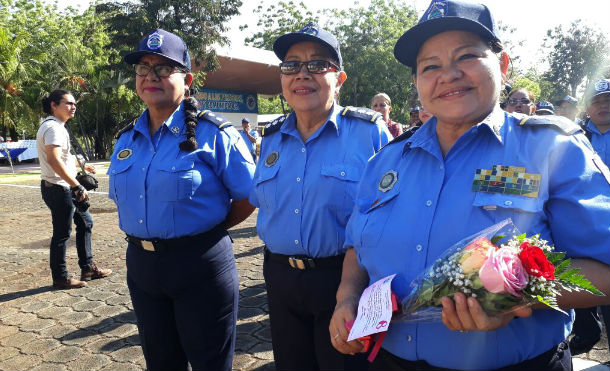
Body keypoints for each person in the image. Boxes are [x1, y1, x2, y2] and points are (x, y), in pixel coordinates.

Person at [329, 1, 610, 370]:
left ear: (503, 65)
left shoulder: (553, 148)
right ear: (416, 82)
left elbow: (604, 272)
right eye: (430, 66)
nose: (448, 75)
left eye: (467, 56)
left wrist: (515, 296)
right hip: (388, 359)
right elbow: (356, 249)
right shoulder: (385, 161)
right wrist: (346, 298)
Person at [107, 29, 255, 370]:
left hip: (199, 264)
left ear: (187, 79)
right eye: (143, 68)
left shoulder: (215, 135)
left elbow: (249, 196)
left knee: (209, 363)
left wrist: (209, 229)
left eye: (163, 69)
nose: (150, 77)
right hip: (142, 266)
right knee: (160, 362)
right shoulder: (126, 138)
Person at [250, 23, 391, 370]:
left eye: (317, 64)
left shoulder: (368, 132)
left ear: (339, 78)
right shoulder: (271, 139)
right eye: (291, 65)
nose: (302, 74)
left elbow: (391, 214)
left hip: (344, 279)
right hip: (280, 277)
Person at [36, 89, 111, 289]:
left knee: (86, 223)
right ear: (54, 105)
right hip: (59, 189)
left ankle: (87, 268)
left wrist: (81, 167)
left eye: (75, 103)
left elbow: (61, 158)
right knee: (62, 233)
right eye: (68, 103)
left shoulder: (56, 126)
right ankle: (60, 277)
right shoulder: (53, 128)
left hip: (61, 186)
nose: (73, 107)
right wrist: (76, 185)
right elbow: (52, 160)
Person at [571, 78, 610, 355]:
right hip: (584, 222)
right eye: (597, 100)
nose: (603, 105)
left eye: (608, 99)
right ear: (587, 107)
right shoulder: (575, 135)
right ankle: (587, 335)